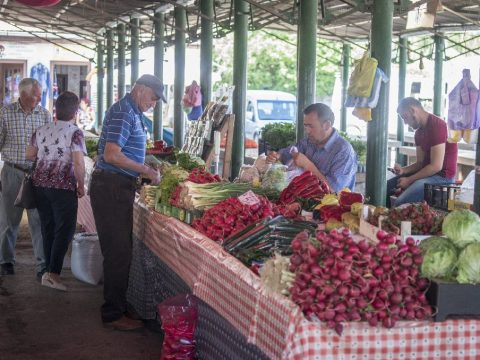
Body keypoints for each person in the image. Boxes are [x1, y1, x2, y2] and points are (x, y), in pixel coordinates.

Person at [90, 74, 163, 331]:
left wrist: (146, 163)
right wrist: (144, 169)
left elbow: (124, 150)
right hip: (111, 186)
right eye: (152, 98)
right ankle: (112, 313)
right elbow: (112, 155)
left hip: (116, 185)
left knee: (121, 249)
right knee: (118, 252)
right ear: (140, 89)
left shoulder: (130, 111)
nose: (153, 104)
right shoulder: (123, 112)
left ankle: (119, 304)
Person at [26, 91, 86, 291]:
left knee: (48, 227)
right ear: (75, 111)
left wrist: (47, 155)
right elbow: (78, 162)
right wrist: (81, 184)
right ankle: (53, 274)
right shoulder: (75, 132)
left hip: (40, 186)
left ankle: (47, 272)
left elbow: (29, 154)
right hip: (62, 187)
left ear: (56, 110)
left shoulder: (41, 129)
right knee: (65, 229)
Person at [0, 78, 51, 278]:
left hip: (36, 173)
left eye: (40, 94)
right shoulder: (5, 113)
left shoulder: (44, 115)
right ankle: (5, 261)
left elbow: (48, 147)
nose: (40, 98)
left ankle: (42, 265)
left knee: (38, 221)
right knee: (8, 220)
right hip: (12, 172)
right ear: (23, 95)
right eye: (36, 95)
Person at [267, 103, 357, 192]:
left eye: (311, 126)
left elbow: (334, 191)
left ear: (327, 125)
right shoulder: (308, 141)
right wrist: (277, 156)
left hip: (330, 205)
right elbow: (286, 153)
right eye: (306, 126)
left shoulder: (344, 152)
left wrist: (308, 165)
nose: (307, 131)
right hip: (303, 199)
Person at [387, 97, 458, 207]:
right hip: (428, 175)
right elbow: (420, 163)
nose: (405, 123)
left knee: (400, 202)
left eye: (405, 117)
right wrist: (403, 170)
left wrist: (409, 180)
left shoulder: (437, 125)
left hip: (443, 178)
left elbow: (436, 166)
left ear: (412, 110)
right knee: (387, 188)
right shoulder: (418, 133)